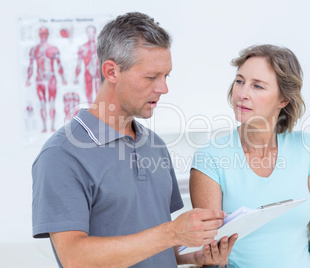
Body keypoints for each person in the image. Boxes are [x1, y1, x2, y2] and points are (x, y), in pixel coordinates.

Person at [32, 12, 237, 268]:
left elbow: (153, 246)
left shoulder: (155, 146)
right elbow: (74, 258)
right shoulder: (62, 155)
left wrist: (196, 255)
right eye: (151, 77)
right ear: (111, 71)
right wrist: (172, 232)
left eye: (166, 76)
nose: (164, 88)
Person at [190, 44, 310, 267]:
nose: (242, 94)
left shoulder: (308, 148)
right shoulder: (209, 158)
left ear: (284, 100)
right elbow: (212, 254)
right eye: (239, 81)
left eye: (258, 86)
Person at [26, 27, 67, 133]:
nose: (43, 36)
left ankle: (52, 126)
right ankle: (44, 126)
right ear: (39, 35)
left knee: (52, 103)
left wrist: (63, 78)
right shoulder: (34, 50)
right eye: (41, 34)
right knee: (42, 103)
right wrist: (28, 79)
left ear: (48, 35)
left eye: (45, 34)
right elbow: (31, 66)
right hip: (40, 78)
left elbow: (59, 64)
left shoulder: (53, 49)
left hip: (51, 78)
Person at [74, 25, 101, 105]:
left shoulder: (100, 47)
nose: (91, 34)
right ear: (86, 33)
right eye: (89, 32)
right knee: (89, 95)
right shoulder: (82, 48)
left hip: (98, 73)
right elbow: (78, 64)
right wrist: (76, 77)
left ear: (95, 33)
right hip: (87, 72)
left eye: (92, 32)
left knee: (99, 94)